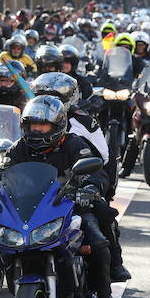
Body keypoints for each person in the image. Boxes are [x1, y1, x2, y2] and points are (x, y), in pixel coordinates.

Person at [1, 95, 121, 298]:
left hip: (71, 207)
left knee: (97, 241)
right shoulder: (19, 148)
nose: (36, 130)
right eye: (32, 125)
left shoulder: (75, 144)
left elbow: (95, 171)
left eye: (42, 125)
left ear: (57, 125)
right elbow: (2, 175)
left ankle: (105, 296)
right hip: (32, 212)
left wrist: (89, 188)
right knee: (4, 240)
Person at [30, 73, 131, 282]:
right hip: (37, 193)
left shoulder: (83, 123)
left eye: (55, 97)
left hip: (76, 189)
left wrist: (100, 190)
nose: (49, 102)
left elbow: (104, 158)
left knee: (102, 216)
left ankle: (114, 267)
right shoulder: (30, 120)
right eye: (43, 96)